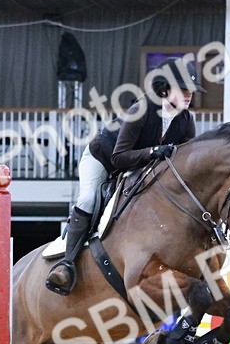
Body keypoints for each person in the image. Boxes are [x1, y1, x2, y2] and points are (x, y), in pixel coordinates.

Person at [45, 56, 205, 295]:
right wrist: (153, 152)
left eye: (191, 90)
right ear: (165, 88)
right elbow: (120, 157)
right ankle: (66, 265)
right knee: (89, 199)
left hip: (136, 169)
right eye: (183, 89)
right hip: (104, 160)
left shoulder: (185, 121)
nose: (189, 95)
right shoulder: (141, 109)